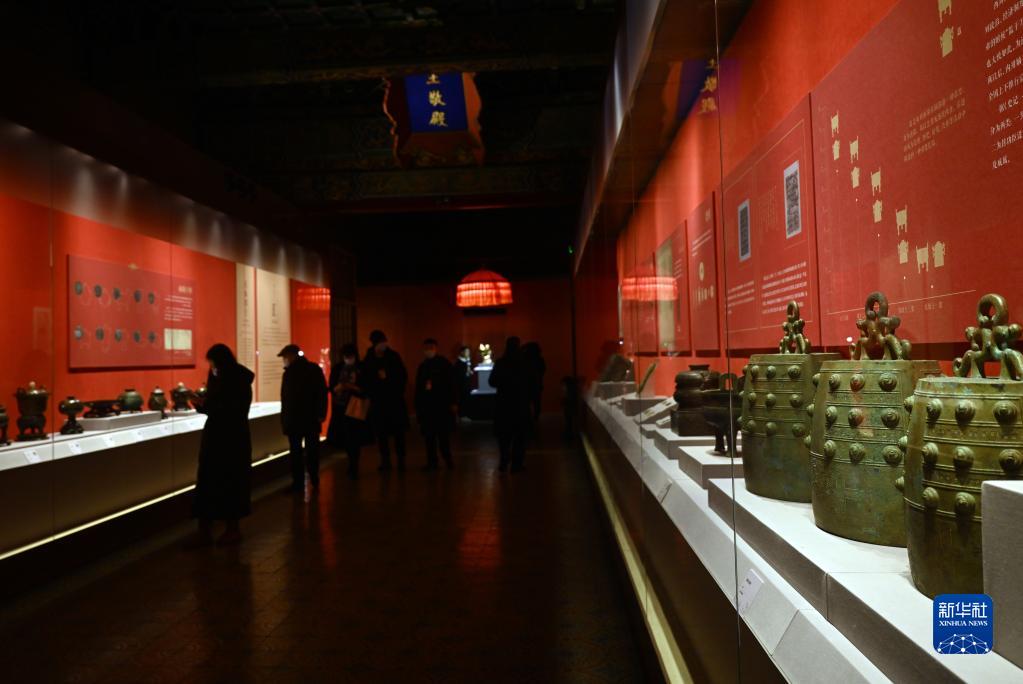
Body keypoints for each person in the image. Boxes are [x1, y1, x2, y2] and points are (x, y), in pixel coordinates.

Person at [190, 343, 255, 546]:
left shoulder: (234, 381)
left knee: (227, 483)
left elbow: (226, 409)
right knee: (219, 483)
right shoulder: (235, 379)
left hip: (227, 438)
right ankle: (214, 529)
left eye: (213, 364)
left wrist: (203, 404)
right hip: (228, 437)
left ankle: (227, 530)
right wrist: (204, 404)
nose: (212, 368)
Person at [279, 343, 328, 492]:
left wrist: (285, 420)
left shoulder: (289, 373)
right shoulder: (314, 369)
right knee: (312, 450)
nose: (284, 360)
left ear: (291, 356)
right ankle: (314, 477)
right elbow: (322, 393)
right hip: (311, 418)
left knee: (296, 453)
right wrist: (321, 414)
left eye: (285, 357)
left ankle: (298, 483)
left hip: (294, 420)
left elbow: (286, 400)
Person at [363, 330, 409, 472]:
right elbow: (366, 379)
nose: (383, 345)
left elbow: (402, 376)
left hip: (394, 401)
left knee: (398, 433)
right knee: (381, 433)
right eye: (380, 343)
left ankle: (400, 460)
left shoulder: (393, 357)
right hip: (378, 402)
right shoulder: (369, 359)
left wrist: (388, 378)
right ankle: (385, 460)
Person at [327, 344, 372, 479]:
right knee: (346, 436)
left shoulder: (362, 368)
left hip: (356, 405)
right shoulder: (338, 368)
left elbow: (367, 386)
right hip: (341, 406)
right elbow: (332, 387)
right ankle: (352, 463)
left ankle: (353, 464)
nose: (348, 359)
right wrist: (339, 388)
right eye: (346, 356)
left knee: (354, 436)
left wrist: (354, 388)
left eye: (350, 356)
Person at [489, 336, 531, 473]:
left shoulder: (500, 363)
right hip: (520, 404)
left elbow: (492, 381)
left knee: (504, 437)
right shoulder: (524, 363)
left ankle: (503, 462)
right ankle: (517, 464)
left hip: (503, 404)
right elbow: (531, 383)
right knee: (520, 437)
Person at [415, 338, 457, 470]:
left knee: (443, 435)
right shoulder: (423, 366)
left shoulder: (444, 364)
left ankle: (447, 460)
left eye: (431, 347)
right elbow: (418, 388)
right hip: (427, 406)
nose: (428, 350)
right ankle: (432, 462)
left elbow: (452, 384)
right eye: (426, 348)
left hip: (441, 405)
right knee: (429, 437)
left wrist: (453, 402)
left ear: (436, 348)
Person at [522, 341, 547, 420]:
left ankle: (530, 419)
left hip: (527, 384)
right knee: (536, 403)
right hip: (536, 384)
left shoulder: (524, 358)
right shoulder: (539, 359)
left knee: (527, 403)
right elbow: (542, 371)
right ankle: (535, 419)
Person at [452, 345, 474, 421]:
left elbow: (468, 373)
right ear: (462, 352)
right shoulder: (458, 363)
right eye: (467, 352)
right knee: (462, 400)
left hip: (467, 385)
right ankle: (462, 415)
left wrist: (470, 372)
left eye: (469, 352)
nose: (468, 353)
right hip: (461, 386)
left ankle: (466, 414)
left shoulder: (467, 361)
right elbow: (458, 376)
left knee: (467, 400)